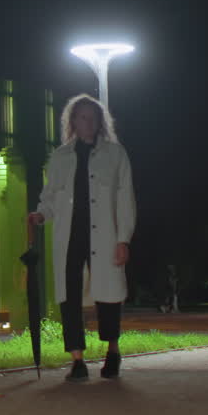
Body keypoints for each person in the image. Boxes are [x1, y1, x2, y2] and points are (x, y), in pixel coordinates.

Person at [28, 94, 136, 381]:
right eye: (82, 117)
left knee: (109, 295)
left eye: (93, 117)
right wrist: (40, 214)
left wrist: (123, 238)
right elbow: (50, 195)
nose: (88, 122)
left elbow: (125, 199)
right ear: (72, 121)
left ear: (101, 121)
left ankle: (112, 352)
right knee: (69, 295)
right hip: (69, 235)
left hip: (106, 235)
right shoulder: (60, 156)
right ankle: (76, 359)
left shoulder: (116, 154)